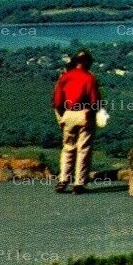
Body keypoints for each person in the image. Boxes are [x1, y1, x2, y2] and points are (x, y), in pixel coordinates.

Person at [52, 49, 102, 194]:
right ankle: (79, 184)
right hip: (84, 114)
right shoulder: (89, 78)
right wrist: (92, 113)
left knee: (68, 148)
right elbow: (95, 101)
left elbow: (57, 101)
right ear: (86, 62)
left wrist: (63, 116)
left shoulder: (65, 77)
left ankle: (62, 181)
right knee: (83, 149)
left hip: (68, 114)